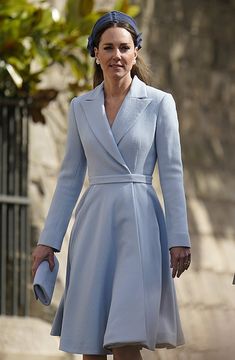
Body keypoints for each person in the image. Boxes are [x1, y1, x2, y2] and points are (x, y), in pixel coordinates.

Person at [32, 10, 191, 360]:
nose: (116, 55)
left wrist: (179, 237)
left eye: (124, 47)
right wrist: (49, 242)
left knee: (125, 337)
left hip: (140, 225)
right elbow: (70, 177)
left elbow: (173, 173)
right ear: (95, 53)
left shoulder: (160, 103)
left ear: (136, 54)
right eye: (108, 48)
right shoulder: (80, 107)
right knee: (90, 338)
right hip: (94, 225)